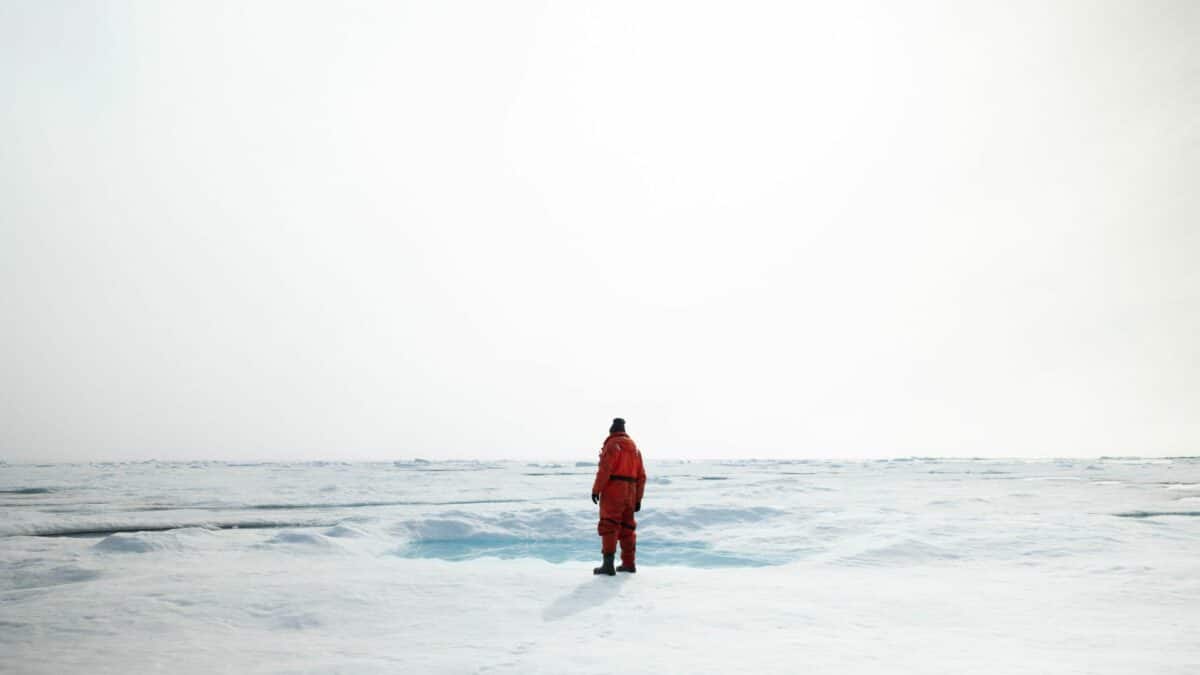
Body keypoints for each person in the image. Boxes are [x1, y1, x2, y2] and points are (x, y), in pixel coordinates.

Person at [591, 417, 646, 575]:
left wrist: (596, 489)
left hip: (614, 490)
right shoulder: (635, 449)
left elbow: (605, 470)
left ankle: (608, 565)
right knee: (627, 527)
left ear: (612, 431)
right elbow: (642, 476)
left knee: (609, 525)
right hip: (631, 490)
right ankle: (629, 564)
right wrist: (637, 498)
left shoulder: (612, 445)